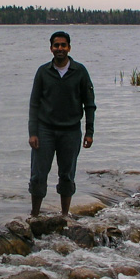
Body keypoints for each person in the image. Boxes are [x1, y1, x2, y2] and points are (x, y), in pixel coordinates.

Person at [28, 31, 96, 216]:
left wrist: (89, 132)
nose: (60, 48)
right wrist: (32, 133)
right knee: (38, 175)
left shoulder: (80, 71)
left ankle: (65, 216)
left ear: (69, 48)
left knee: (67, 175)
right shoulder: (43, 71)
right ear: (51, 48)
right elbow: (34, 103)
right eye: (56, 45)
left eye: (63, 45)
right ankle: (35, 215)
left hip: (71, 131)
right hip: (45, 130)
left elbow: (89, 104)